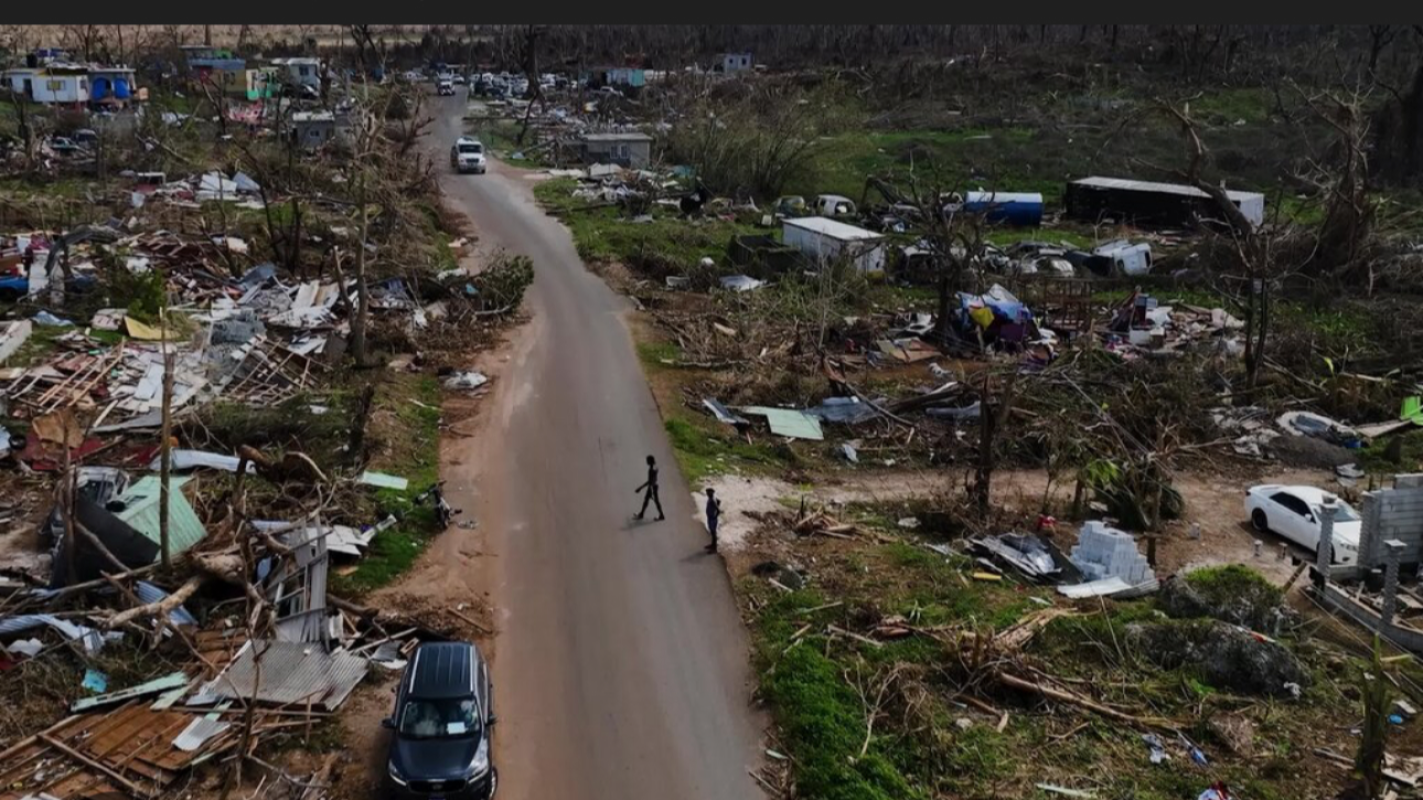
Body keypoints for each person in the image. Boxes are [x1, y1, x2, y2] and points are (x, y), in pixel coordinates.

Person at [633, 454, 664, 521]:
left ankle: (661, 515)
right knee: (646, 501)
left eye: (647, 461)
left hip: (652, 487)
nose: (646, 462)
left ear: (650, 461)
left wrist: (640, 488)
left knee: (656, 501)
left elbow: (649, 481)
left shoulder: (651, 469)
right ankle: (641, 514)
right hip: (654, 486)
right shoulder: (656, 466)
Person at [704, 488, 722, 553]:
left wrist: (715, 516)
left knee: (713, 533)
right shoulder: (712, 499)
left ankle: (714, 548)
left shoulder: (712, 500)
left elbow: (718, 510)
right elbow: (719, 501)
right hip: (711, 518)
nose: (707, 494)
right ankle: (712, 545)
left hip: (712, 518)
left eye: (708, 493)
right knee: (712, 532)